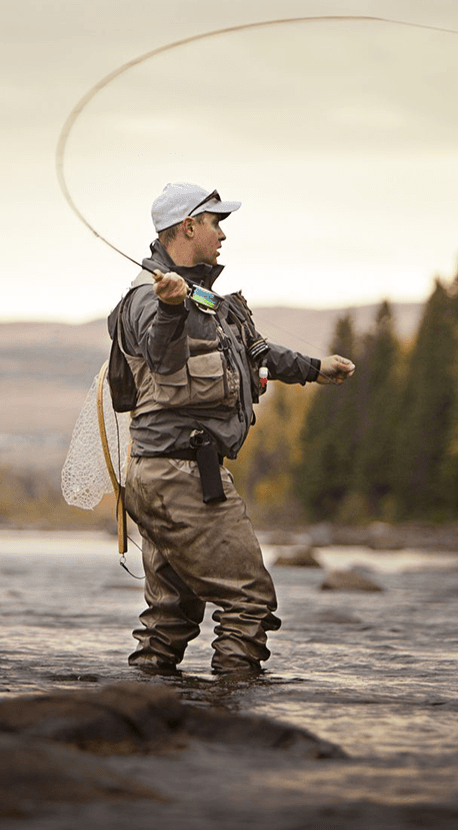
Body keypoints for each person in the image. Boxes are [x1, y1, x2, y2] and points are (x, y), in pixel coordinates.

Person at [109, 182, 355, 677]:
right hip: (181, 479)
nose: (222, 234)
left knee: (171, 617)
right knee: (249, 602)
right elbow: (161, 357)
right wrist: (171, 307)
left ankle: (149, 714)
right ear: (188, 227)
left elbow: (255, 352)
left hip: (166, 475)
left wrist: (314, 367)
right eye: (216, 222)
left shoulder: (211, 301)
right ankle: (232, 722)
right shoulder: (145, 300)